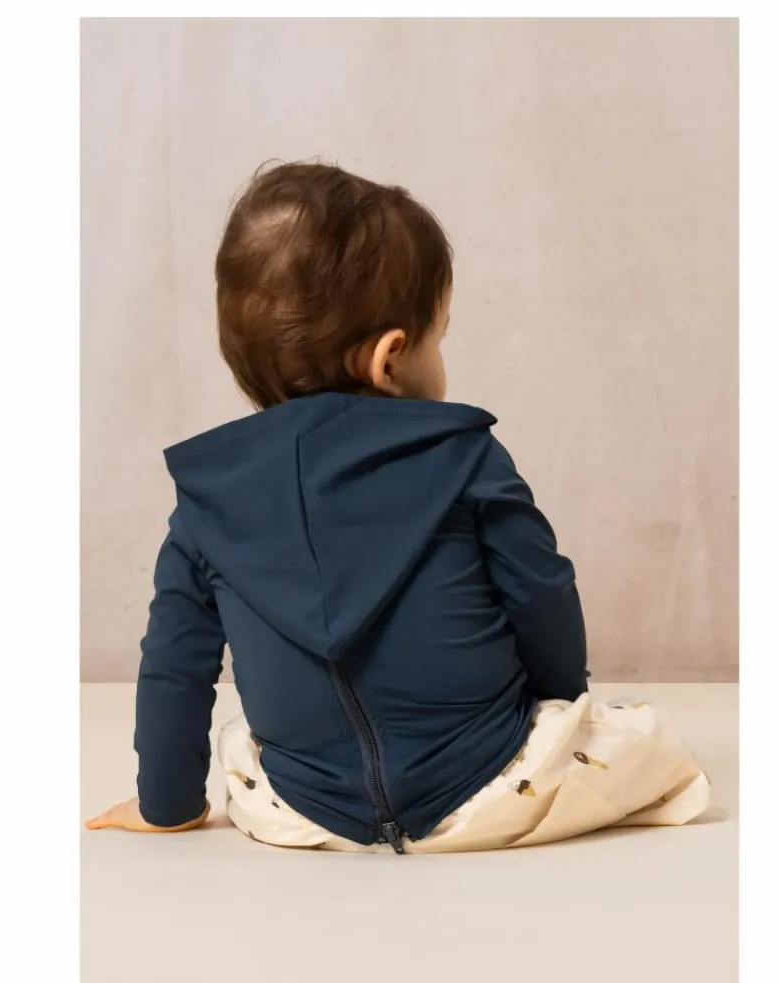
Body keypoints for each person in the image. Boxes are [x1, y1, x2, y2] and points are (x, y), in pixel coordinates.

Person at [86, 162, 709, 853]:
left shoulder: (206, 503)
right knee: (651, 741)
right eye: (439, 337)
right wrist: (561, 709)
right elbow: (541, 594)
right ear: (389, 360)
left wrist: (166, 805)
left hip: (301, 814)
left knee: (244, 741)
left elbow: (174, 663)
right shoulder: (465, 457)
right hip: (499, 789)